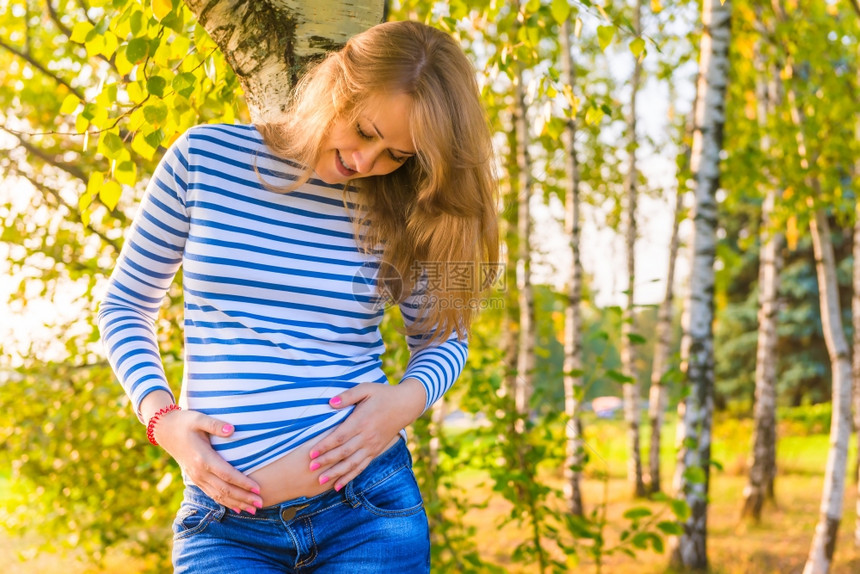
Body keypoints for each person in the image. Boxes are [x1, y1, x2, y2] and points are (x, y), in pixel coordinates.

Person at [97, 19, 499, 574]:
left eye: (396, 155)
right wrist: (161, 419)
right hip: (222, 527)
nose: (365, 162)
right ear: (338, 84)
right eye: (363, 129)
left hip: (369, 512)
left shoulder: (401, 208)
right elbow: (124, 306)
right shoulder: (204, 159)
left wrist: (405, 402)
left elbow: (444, 339)